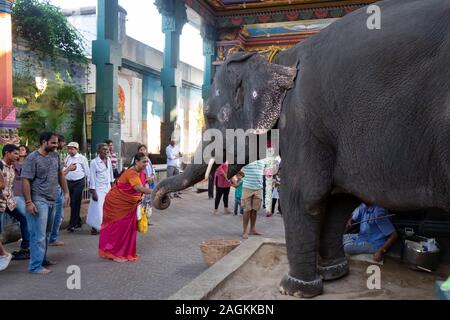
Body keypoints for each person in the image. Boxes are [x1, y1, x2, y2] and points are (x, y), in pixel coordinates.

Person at [21, 132, 70, 274]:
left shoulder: (55, 156)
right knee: (39, 235)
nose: (56, 145)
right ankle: (35, 266)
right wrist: (29, 202)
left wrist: (66, 192)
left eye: (56, 143)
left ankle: (42, 260)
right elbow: (25, 180)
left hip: (52, 199)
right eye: (53, 143)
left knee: (47, 234)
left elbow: (60, 174)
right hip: (38, 200)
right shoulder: (32, 158)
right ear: (44, 142)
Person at [99, 152, 152, 262]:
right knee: (118, 229)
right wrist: (155, 191)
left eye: (147, 161)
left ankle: (126, 252)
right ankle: (115, 254)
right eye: (144, 162)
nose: (146, 164)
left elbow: (140, 186)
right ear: (136, 161)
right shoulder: (132, 173)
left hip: (130, 205)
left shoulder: (141, 173)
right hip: (117, 205)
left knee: (129, 229)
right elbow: (138, 188)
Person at [1, 144, 30, 260]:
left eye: (18, 153)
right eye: (15, 153)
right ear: (7, 153)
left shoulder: (12, 167)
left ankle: (26, 248)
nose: (17, 156)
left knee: (24, 219)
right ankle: (2, 254)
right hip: (0, 202)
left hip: (9, 201)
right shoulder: (0, 165)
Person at [87, 143, 113, 235]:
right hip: (98, 189)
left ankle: (104, 226)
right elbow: (92, 177)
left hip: (107, 188)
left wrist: (112, 186)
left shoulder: (109, 160)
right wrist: (93, 191)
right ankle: (94, 227)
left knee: (107, 208)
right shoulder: (94, 162)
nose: (106, 151)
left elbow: (110, 174)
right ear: (98, 151)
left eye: (107, 149)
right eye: (103, 149)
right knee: (96, 208)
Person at [64, 142, 90, 233]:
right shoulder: (67, 158)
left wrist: (90, 184)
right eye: (69, 149)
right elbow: (65, 168)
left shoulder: (82, 158)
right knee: (72, 203)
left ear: (77, 149)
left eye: (72, 149)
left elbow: (87, 171)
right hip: (68, 182)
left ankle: (72, 224)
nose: (70, 150)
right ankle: (78, 221)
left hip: (79, 182)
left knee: (75, 201)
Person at [241, 159, 266, 239]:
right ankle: (245, 231)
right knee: (247, 210)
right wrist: (241, 177)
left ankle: (253, 229)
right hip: (247, 187)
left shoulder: (263, 160)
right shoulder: (247, 158)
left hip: (258, 188)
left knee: (255, 209)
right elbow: (237, 169)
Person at [49, 135, 66, 246]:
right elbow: (58, 175)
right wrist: (68, 169)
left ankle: (53, 237)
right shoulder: (51, 156)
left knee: (58, 215)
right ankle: (52, 238)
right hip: (52, 191)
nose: (62, 145)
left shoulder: (56, 155)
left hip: (58, 189)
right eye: (62, 142)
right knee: (54, 216)